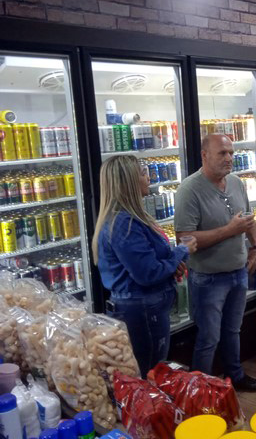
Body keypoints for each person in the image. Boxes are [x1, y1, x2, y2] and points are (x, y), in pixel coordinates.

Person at [174, 134, 256, 392]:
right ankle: (201, 392)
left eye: (231, 153)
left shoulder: (236, 182)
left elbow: (248, 219)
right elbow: (184, 238)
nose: (229, 158)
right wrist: (229, 230)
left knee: (233, 330)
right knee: (208, 338)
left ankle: (235, 376)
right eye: (222, 153)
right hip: (208, 278)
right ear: (204, 155)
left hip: (239, 272)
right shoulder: (189, 190)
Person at [92, 155, 197, 378]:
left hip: (144, 310)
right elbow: (148, 273)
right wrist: (181, 251)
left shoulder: (128, 218)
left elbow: (149, 262)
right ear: (128, 182)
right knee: (149, 373)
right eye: (142, 173)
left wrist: (172, 265)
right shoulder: (124, 223)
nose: (148, 177)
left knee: (149, 369)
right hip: (142, 313)